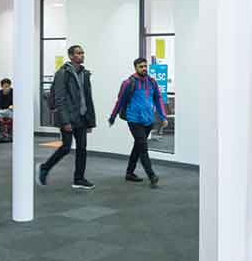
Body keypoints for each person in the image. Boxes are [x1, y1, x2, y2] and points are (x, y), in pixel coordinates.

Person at [37, 45, 97, 190]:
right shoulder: (62, 73)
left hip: (82, 117)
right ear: (71, 56)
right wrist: (65, 120)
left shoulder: (85, 73)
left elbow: (87, 99)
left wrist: (90, 121)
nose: (82, 55)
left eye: (83, 52)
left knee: (82, 148)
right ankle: (44, 168)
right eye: (78, 53)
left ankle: (79, 179)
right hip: (69, 117)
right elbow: (59, 98)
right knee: (66, 147)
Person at [109, 57, 168, 188]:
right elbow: (120, 101)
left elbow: (158, 99)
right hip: (134, 119)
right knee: (143, 147)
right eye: (141, 66)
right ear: (135, 68)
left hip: (148, 120)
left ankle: (129, 173)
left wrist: (163, 116)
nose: (144, 68)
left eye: (145, 66)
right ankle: (152, 175)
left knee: (138, 146)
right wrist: (113, 116)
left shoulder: (152, 82)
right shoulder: (128, 83)